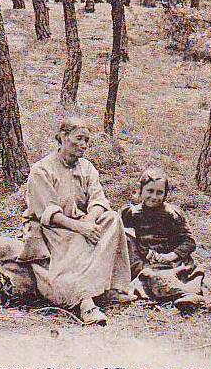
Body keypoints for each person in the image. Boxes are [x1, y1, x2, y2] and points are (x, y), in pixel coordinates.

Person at [23, 116, 132, 326]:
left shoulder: (87, 168)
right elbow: (48, 214)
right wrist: (81, 228)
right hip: (53, 229)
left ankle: (111, 288)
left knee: (112, 219)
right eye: (79, 139)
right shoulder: (41, 169)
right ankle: (86, 303)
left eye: (87, 141)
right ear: (63, 137)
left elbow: (99, 199)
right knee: (77, 243)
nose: (83, 145)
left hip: (82, 224)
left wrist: (89, 222)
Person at [120, 167, 198, 279]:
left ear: (165, 194)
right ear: (141, 190)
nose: (154, 197)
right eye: (150, 191)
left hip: (167, 260)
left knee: (174, 276)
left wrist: (171, 256)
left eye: (159, 193)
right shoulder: (131, 213)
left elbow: (189, 241)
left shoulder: (172, 214)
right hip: (142, 260)